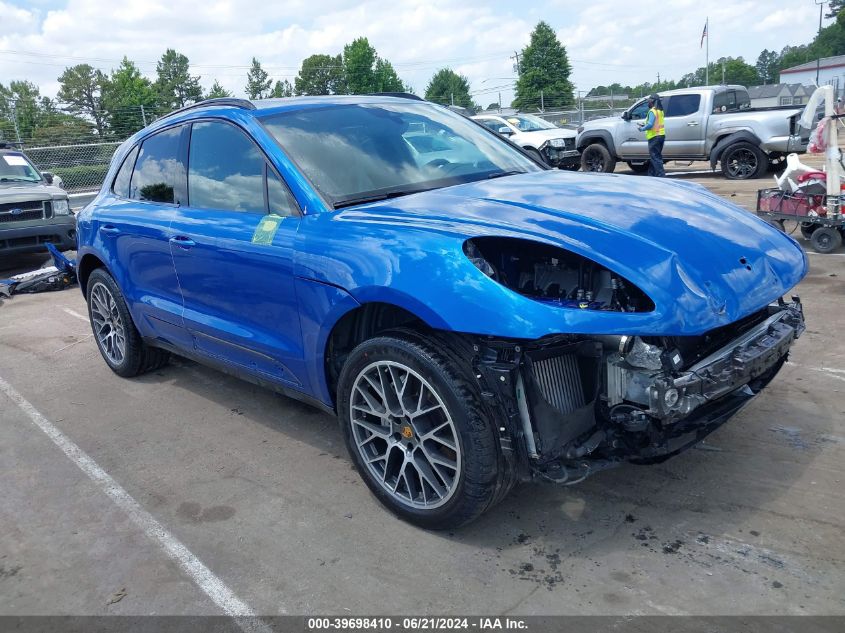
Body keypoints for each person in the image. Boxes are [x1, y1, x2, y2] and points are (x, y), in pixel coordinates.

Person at [638, 94, 665, 177]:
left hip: (654, 137)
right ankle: (652, 175)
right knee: (656, 157)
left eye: (649, 100)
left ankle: (661, 176)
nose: (648, 102)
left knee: (655, 158)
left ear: (652, 101)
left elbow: (650, 125)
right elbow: (655, 124)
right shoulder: (660, 111)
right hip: (661, 136)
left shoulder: (652, 111)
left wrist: (642, 129)